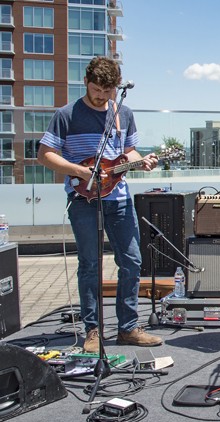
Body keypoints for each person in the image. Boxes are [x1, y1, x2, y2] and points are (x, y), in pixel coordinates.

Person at [37, 56, 163, 353]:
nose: (101, 96)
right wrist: (80, 171)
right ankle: (93, 330)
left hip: (118, 199)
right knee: (90, 265)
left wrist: (142, 162)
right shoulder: (66, 114)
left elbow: (128, 151)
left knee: (132, 261)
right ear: (86, 82)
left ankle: (128, 327)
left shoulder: (124, 113)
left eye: (107, 92)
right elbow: (44, 155)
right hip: (83, 200)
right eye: (96, 90)